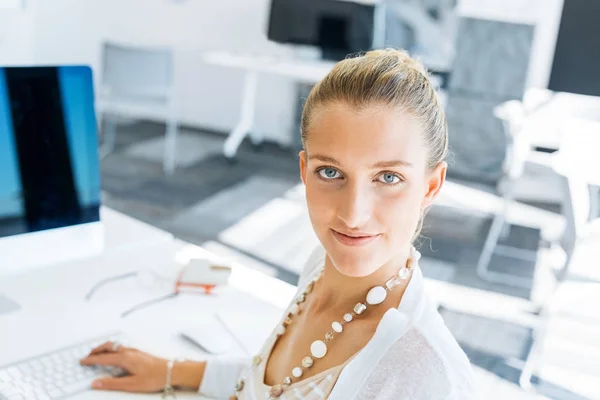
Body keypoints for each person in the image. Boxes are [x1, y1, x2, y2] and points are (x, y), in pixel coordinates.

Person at [80, 49, 476, 399]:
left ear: (430, 186)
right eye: (331, 172)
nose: (353, 215)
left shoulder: (425, 373)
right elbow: (279, 383)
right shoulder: (323, 263)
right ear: (304, 171)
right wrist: (172, 371)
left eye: (388, 178)